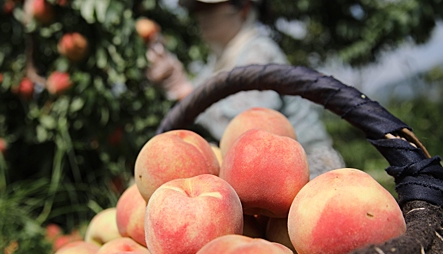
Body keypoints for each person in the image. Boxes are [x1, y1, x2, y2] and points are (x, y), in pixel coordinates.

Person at [145, 0, 345, 178]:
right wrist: (175, 79)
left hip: (308, 165)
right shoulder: (220, 61)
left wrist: (183, 91)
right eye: (197, 8)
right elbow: (200, 95)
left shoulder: (258, 52)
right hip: (269, 170)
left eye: (209, 8)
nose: (201, 15)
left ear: (244, 8)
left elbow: (246, 131)